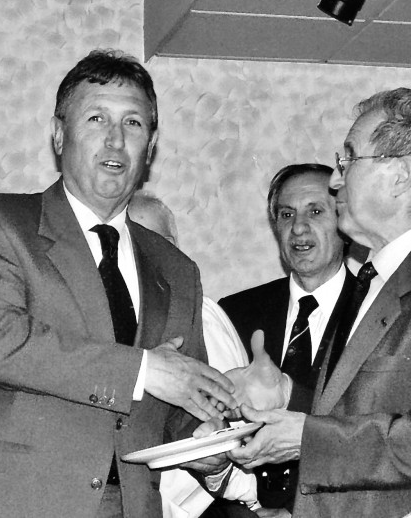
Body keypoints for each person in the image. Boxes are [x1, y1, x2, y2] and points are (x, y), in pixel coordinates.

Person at [0, 49, 237, 518]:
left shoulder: (178, 269)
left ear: (151, 146)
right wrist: (143, 370)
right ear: (59, 135)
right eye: (97, 118)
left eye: (133, 123)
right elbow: (0, 344)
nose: (115, 140)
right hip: (13, 502)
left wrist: (205, 445)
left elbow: (179, 399)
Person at [227, 88, 411, 516]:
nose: (335, 180)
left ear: (400, 176)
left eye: (350, 160)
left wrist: (306, 437)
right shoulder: (372, 282)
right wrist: (290, 397)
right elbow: (360, 412)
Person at [215, 164, 354, 516]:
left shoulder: (378, 312)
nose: (299, 228)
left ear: (345, 220)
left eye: (315, 212)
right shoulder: (234, 312)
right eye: (286, 214)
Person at [127, 193, 258, 518]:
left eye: (153, 240)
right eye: (131, 243)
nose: (143, 253)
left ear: (175, 247)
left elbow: (230, 423)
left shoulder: (200, 315)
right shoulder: (116, 316)